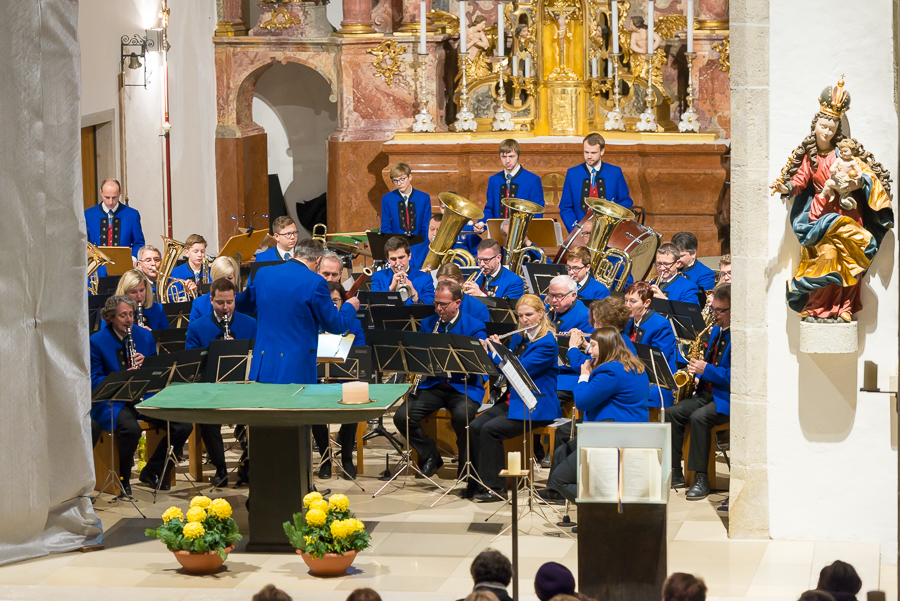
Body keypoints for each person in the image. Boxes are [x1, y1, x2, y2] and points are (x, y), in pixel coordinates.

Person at [770, 79, 892, 321]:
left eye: (831, 128)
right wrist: (786, 187)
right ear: (815, 125)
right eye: (823, 126)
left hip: (848, 212)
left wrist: (854, 184)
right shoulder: (811, 156)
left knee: (848, 259)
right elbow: (800, 180)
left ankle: (844, 307)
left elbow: (865, 175)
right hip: (820, 214)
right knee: (823, 257)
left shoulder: (843, 154)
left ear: (837, 130)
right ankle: (815, 305)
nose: (826, 132)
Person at [90, 295, 191, 495]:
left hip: (143, 396)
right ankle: (123, 478)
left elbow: (158, 373)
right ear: (110, 317)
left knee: (182, 425)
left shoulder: (144, 336)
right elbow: (94, 381)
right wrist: (121, 377)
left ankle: (153, 471)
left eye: (131, 314)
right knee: (131, 429)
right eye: (123, 316)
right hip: (113, 401)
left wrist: (147, 365)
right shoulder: (96, 341)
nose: (129, 320)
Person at [393, 281, 487, 492]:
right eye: (436, 303)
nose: (438, 309)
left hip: (463, 385)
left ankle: (466, 465)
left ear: (457, 303)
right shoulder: (428, 323)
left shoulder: (474, 326)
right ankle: (431, 455)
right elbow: (418, 359)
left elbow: (479, 364)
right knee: (402, 417)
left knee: (463, 416)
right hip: (434, 384)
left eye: (443, 304)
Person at [540, 328, 649, 502]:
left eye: (593, 345)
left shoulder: (609, 371)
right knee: (561, 452)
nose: (589, 351)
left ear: (605, 346)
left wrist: (584, 376)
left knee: (560, 480)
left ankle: (603, 506)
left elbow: (582, 402)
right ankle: (564, 497)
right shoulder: (632, 365)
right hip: (626, 430)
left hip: (611, 436)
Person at [472, 295, 561, 501]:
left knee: (490, 430)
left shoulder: (547, 343)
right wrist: (493, 351)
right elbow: (503, 370)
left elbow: (519, 371)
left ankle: (496, 487)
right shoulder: (519, 337)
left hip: (536, 406)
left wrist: (495, 352)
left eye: (528, 315)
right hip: (514, 400)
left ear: (541, 314)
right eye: (520, 316)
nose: (524, 320)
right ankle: (478, 481)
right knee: (476, 426)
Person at [245, 238, 360, 385]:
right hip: (295, 368)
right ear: (318, 260)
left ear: (294, 254)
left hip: (264, 365)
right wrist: (349, 307)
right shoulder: (315, 282)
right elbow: (335, 325)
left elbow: (244, 305)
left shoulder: (263, 273)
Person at [185, 278, 258, 488]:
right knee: (208, 422)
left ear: (235, 299)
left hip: (243, 387)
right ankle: (220, 468)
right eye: (220, 303)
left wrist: (237, 352)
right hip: (211, 389)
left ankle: (247, 464)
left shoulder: (249, 323)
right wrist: (217, 354)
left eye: (229, 302)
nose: (225, 308)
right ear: (211, 300)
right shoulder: (197, 327)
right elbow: (192, 365)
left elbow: (259, 358)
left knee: (260, 416)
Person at [665, 284, 731, 500]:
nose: (715, 315)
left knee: (699, 418)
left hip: (726, 398)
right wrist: (696, 376)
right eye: (713, 309)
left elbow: (737, 377)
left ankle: (701, 478)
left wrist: (706, 370)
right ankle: (675, 471)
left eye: (720, 311)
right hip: (706, 393)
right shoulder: (715, 330)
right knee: (672, 412)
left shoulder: (740, 336)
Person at [311, 281, 365, 480]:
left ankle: (347, 457)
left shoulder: (354, 325)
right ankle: (325, 458)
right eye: (329, 301)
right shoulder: (314, 324)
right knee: (312, 406)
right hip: (319, 380)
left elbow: (360, 356)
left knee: (354, 400)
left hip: (345, 380)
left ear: (343, 301)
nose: (333, 305)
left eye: (336, 300)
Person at [559, 133, 632, 230]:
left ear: (602, 151)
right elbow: (565, 207)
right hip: (580, 231)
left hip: (608, 230)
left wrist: (611, 218)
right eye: (586, 152)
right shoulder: (572, 173)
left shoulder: (615, 172)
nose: (589, 156)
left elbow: (626, 201)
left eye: (593, 153)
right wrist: (576, 230)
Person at [625, 281, 677, 408]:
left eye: (633, 301)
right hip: (633, 373)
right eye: (626, 300)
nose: (627, 305)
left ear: (647, 303)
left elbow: (656, 363)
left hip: (657, 382)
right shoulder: (628, 321)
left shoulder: (661, 325)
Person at [546, 275, 594, 408]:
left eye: (559, 296)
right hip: (547, 370)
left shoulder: (586, 318)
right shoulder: (546, 310)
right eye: (551, 295)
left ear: (573, 295)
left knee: (544, 401)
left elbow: (590, 358)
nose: (553, 300)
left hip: (569, 376)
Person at [483, 139, 545, 221]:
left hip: (522, 227)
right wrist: (481, 224)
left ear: (518, 156)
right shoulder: (493, 180)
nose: (507, 161)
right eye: (504, 157)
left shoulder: (532, 180)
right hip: (498, 228)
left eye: (511, 156)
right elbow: (489, 209)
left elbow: (537, 213)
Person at [84, 178, 145, 257]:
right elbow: (83, 243)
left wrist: (133, 258)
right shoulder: (88, 214)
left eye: (114, 197)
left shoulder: (132, 215)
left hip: (123, 261)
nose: (110, 202)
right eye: (107, 197)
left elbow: (139, 243)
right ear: (101, 192)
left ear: (120, 192)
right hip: (97, 263)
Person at [370, 236, 435, 305]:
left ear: (409, 256)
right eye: (393, 259)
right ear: (388, 259)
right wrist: (391, 288)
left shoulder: (425, 278)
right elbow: (373, 302)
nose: (398, 263)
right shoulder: (378, 277)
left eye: (401, 257)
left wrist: (413, 292)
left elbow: (431, 306)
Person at [381, 162, 431, 237]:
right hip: (395, 243)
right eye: (395, 180)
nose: (399, 183)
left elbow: (426, 227)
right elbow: (385, 228)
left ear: (410, 177)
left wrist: (420, 243)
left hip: (419, 243)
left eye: (402, 179)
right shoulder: (387, 199)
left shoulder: (424, 198)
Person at [189, 255, 242, 321]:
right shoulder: (199, 304)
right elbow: (193, 327)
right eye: (221, 278)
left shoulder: (244, 301)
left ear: (235, 278)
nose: (225, 282)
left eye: (229, 278)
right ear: (214, 278)